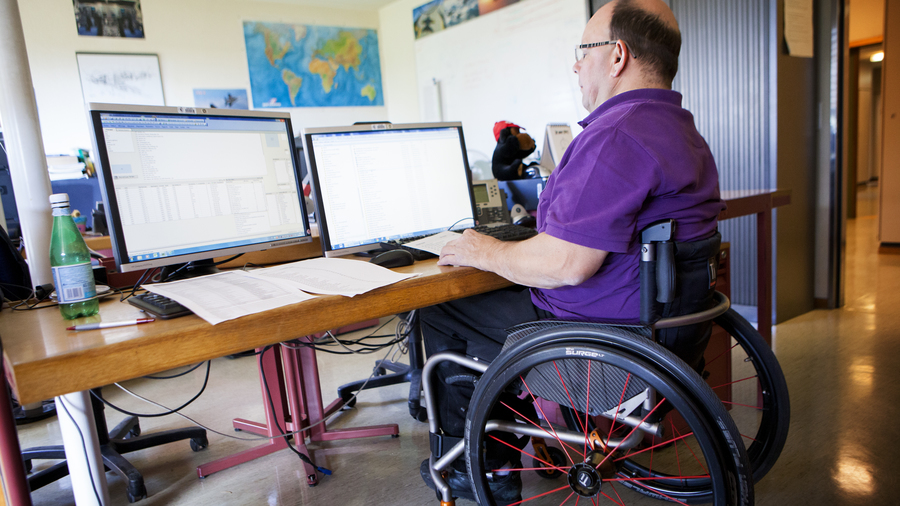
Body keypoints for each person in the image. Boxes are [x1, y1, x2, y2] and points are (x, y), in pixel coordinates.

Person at [419, 0, 727, 502]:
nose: (576, 65)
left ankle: (480, 470)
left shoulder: (617, 134)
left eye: (582, 51)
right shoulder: (681, 130)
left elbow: (565, 264)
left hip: (603, 342)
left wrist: (481, 248)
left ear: (618, 56)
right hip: (668, 327)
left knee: (443, 305)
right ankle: (513, 431)